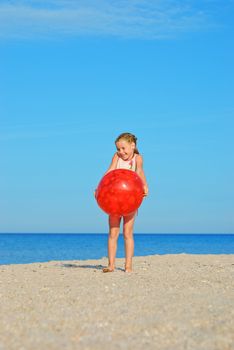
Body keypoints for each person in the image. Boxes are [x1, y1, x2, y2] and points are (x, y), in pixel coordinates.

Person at [96, 132, 148, 273]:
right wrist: (99, 187)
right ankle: (111, 265)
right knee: (113, 233)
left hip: (130, 200)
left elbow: (139, 173)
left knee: (127, 233)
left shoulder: (137, 158)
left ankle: (128, 266)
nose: (121, 152)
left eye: (123, 148)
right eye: (118, 149)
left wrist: (144, 185)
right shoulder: (116, 157)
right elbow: (110, 171)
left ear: (133, 145)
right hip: (113, 200)